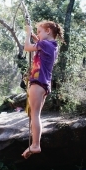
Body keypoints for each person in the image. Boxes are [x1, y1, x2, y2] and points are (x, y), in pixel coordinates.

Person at [21, 20, 64, 159]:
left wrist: (28, 34)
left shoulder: (45, 44)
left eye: (39, 31)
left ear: (48, 31)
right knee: (35, 114)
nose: (37, 34)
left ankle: (35, 145)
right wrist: (34, 35)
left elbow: (27, 47)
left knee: (34, 115)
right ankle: (34, 144)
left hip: (38, 83)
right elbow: (39, 42)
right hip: (44, 84)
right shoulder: (52, 45)